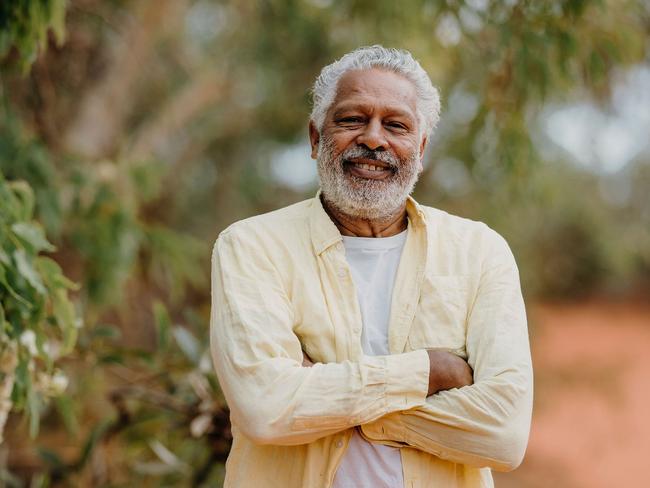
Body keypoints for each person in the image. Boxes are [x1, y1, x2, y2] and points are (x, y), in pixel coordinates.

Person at [210, 45, 533, 488]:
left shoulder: (479, 252)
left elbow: (504, 436)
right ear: (315, 138)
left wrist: (329, 398)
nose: (374, 139)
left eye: (395, 124)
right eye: (352, 119)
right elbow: (266, 410)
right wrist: (431, 373)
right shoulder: (251, 247)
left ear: (420, 149)